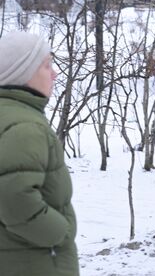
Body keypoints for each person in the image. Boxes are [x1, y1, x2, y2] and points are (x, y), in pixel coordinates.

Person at [0, 31, 79, 276]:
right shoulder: (25, 126)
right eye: (46, 65)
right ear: (22, 73)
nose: (54, 73)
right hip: (34, 261)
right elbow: (13, 196)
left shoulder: (10, 115)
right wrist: (58, 233)